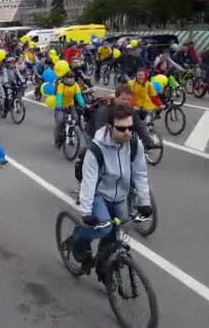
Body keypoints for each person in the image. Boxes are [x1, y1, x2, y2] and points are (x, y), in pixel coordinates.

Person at [68, 104, 153, 271]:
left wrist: (145, 202)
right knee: (104, 228)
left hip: (121, 195)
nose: (127, 132)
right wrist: (86, 212)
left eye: (130, 127)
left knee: (121, 233)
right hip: (99, 195)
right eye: (121, 129)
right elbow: (89, 182)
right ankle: (77, 239)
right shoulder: (96, 149)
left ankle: (105, 268)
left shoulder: (135, 145)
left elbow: (140, 174)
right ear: (110, 127)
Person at [54, 71, 85, 147]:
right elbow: (59, 96)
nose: (71, 80)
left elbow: (78, 96)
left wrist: (83, 104)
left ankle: (71, 135)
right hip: (61, 107)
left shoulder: (75, 85)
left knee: (75, 119)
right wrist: (59, 105)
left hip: (71, 106)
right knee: (60, 121)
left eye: (72, 78)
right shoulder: (61, 85)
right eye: (69, 78)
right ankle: (57, 138)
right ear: (65, 78)